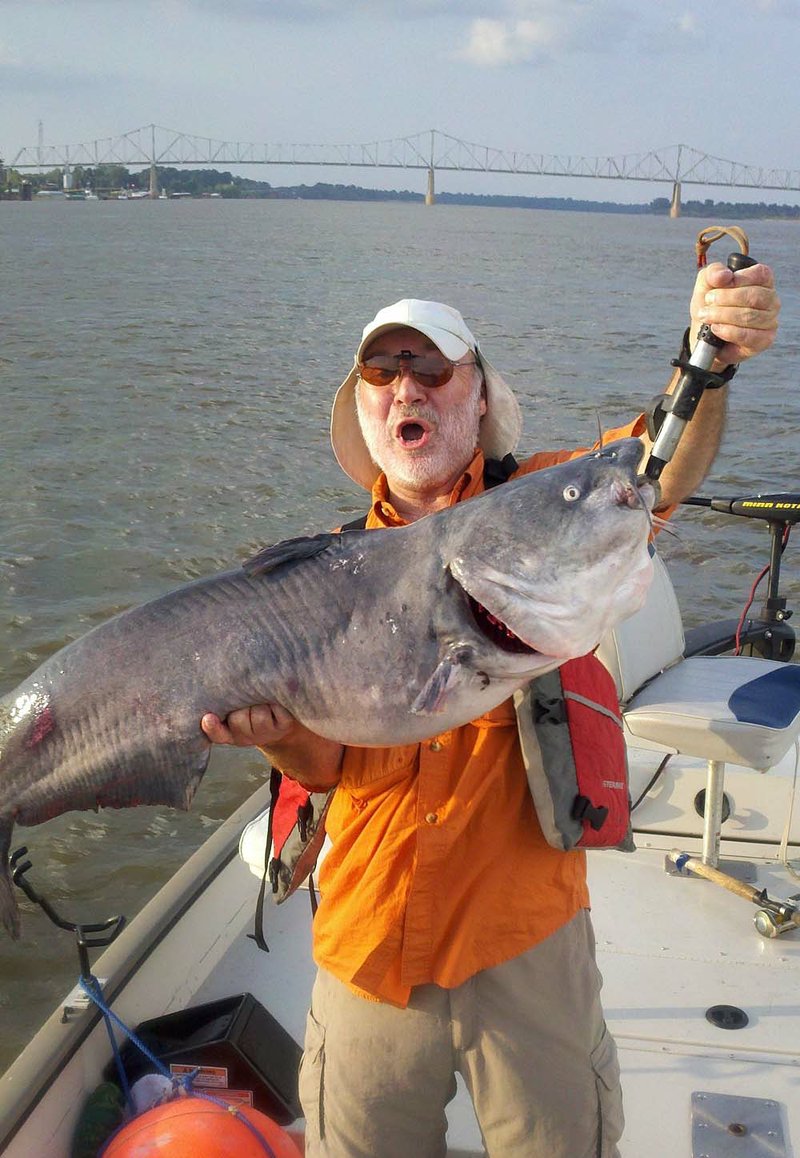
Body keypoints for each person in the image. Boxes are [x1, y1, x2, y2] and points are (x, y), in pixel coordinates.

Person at [202, 261, 780, 1157]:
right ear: (364, 412)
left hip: (525, 946)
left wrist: (709, 357)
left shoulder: (550, 502)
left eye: (433, 368)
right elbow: (327, 770)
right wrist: (279, 742)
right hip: (365, 949)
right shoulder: (322, 579)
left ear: (479, 399)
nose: (407, 387)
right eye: (382, 373)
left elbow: (651, 471)